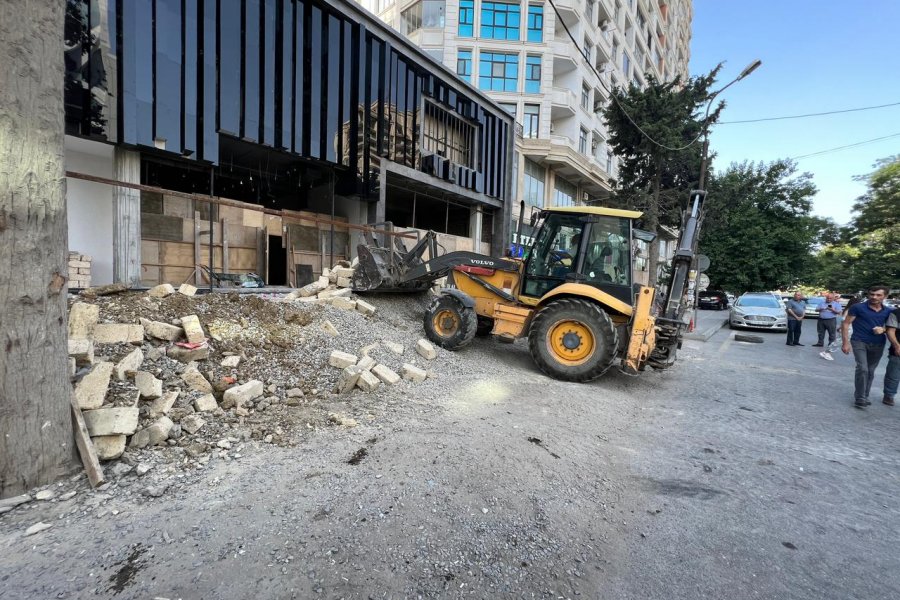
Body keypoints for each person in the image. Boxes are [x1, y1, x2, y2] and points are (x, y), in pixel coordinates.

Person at [841, 285, 891, 409]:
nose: (874, 297)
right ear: (868, 295)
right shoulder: (858, 307)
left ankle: (865, 394)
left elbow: (892, 328)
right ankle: (860, 397)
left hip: (878, 343)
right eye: (872, 294)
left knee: (870, 370)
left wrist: (883, 329)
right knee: (862, 368)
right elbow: (846, 324)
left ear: (885, 296)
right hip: (859, 341)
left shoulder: (889, 311)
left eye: (878, 295)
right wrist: (845, 342)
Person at [883, 304, 900, 406]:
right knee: (893, 374)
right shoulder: (896, 313)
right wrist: (897, 346)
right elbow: (890, 331)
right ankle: (889, 395)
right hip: (898, 350)